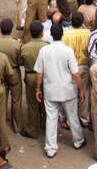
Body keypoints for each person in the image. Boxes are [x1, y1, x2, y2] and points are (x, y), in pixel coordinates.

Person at [33, 23, 85, 159]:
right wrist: (81, 89)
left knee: (51, 118)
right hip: (67, 89)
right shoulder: (68, 51)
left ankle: (50, 147)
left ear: (51, 34)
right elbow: (75, 73)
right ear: (62, 35)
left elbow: (39, 73)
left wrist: (38, 88)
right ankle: (78, 140)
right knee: (72, 116)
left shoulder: (44, 50)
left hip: (50, 90)